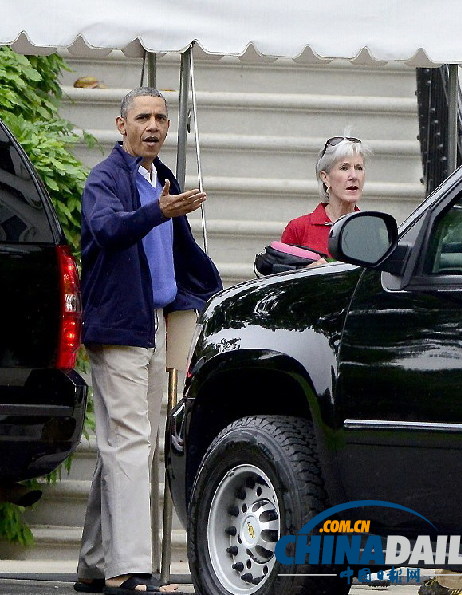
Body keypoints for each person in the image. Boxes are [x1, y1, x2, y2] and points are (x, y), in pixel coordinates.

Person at [74, 87, 221, 595]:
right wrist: (158, 211)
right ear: (121, 125)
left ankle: (96, 562)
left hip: (157, 320)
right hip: (119, 325)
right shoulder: (106, 179)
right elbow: (107, 229)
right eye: (143, 117)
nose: (154, 126)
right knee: (132, 443)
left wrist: (201, 292)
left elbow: (178, 252)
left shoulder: (160, 178)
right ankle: (130, 568)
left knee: (129, 444)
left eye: (161, 117)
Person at [281, 135, 369, 260]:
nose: (354, 176)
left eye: (359, 168)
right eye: (344, 168)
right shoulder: (299, 229)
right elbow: (284, 277)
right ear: (325, 177)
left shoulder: (372, 229)